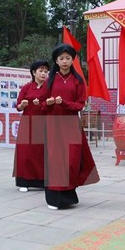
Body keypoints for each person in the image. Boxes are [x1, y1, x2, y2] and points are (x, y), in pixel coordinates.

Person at [42, 44, 100, 209]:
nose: (65, 61)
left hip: (71, 124)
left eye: (68, 58)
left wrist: (64, 103)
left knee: (71, 159)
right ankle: (53, 198)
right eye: (61, 58)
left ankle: (68, 195)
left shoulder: (78, 81)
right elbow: (43, 106)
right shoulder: (50, 80)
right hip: (53, 124)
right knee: (55, 160)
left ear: (73, 59)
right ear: (56, 61)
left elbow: (80, 105)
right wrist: (50, 102)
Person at [13, 60, 49, 192]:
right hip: (27, 122)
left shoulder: (49, 87)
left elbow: (52, 104)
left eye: (46, 71)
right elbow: (18, 106)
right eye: (41, 71)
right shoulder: (27, 87)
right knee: (25, 151)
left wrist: (42, 103)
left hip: (43, 122)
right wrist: (22, 105)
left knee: (41, 151)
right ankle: (24, 181)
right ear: (34, 73)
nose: (44, 73)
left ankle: (43, 181)